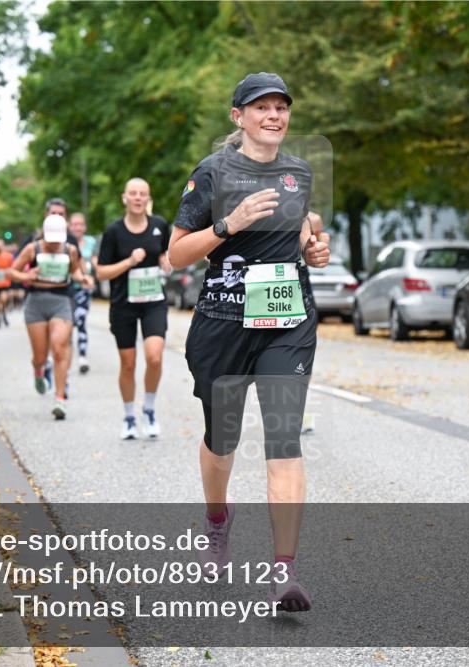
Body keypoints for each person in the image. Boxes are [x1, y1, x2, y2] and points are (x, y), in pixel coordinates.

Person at [168, 72, 331, 612]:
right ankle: (218, 520)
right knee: (223, 439)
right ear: (237, 117)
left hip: (286, 319)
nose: (274, 116)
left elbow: (300, 230)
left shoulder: (299, 173)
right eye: (261, 107)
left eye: (282, 107)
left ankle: (283, 572)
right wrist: (227, 226)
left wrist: (311, 248)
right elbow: (177, 255)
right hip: (223, 322)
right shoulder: (210, 174)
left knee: (284, 439)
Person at [95, 178, 172, 440]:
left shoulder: (160, 225)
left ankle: (148, 409)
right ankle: (129, 416)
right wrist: (129, 261)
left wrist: (166, 262)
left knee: (155, 357)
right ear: (124, 198)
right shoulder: (113, 231)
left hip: (153, 302)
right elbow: (102, 272)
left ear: (147, 198)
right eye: (133, 194)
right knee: (128, 365)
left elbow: (167, 255)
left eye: (142, 194)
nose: (138, 198)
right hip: (123, 305)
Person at [10, 214, 84, 420]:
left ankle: (60, 399)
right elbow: (12, 272)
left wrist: (83, 278)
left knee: (59, 348)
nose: (53, 243)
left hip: (61, 302)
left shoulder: (70, 250)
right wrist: (26, 276)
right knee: (40, 356)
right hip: (36, 303)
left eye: (57, 239)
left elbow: (75, 272)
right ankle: (38, 372)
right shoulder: (32, 249)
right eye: (50, 239)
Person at [68, 211, 97, 373]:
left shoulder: (91, 242)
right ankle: (63, 353)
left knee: (80, 319)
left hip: (84, 288)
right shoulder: (64, 241)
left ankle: (82, 356)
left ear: (84, 227)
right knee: (67, 322)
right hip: (67, 288)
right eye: (74, 224)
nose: (77, 227)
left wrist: (94, 273)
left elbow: (95, 261)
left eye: (80, 224)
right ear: (69, 226)